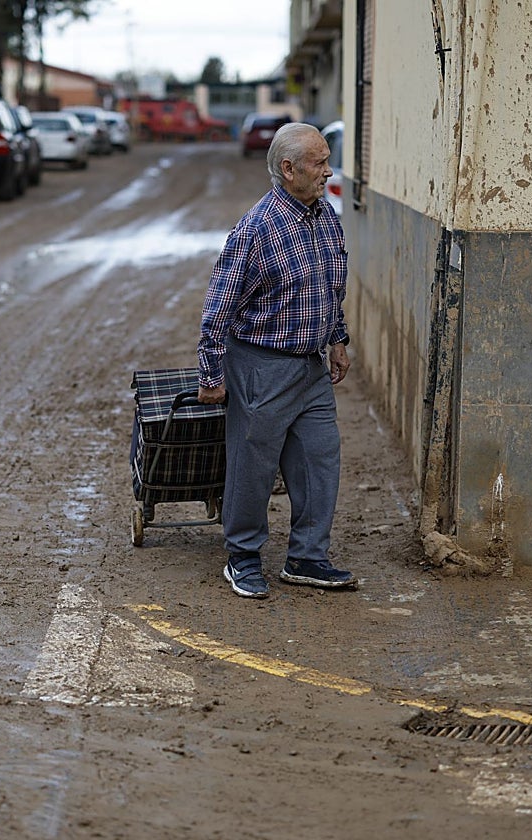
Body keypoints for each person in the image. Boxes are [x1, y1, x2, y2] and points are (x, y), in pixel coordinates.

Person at [197, 122, 356, 599]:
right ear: (288, 169)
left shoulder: (324, 215)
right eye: (318, 163)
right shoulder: (257, 229)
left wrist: (338, 339)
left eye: (327, 160)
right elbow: (217, 308)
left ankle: (307, 556)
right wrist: (211, 372)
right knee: (254, 465)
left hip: (310, 368)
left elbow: (330, 286)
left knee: (320, 459)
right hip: (261, 368)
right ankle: (242, 555)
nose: (328, 172)